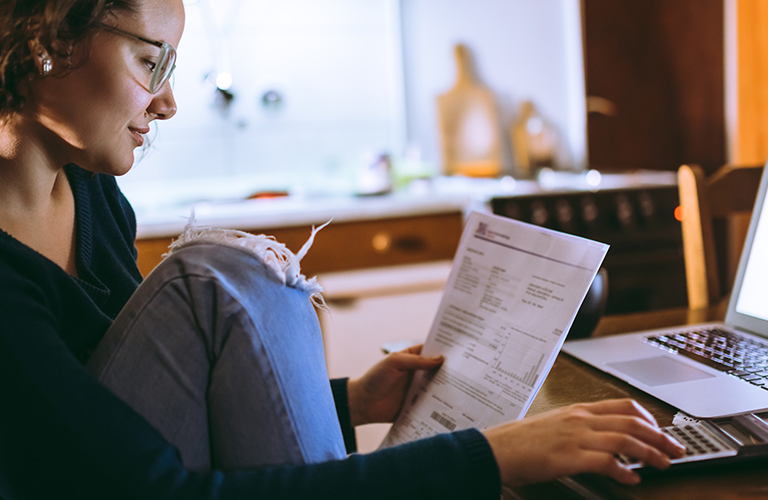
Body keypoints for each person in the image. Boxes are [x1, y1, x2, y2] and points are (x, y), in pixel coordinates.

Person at [0, 0, 685, 498]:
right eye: (152, 62)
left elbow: (133, 414)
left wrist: (348, 401)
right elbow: (157, 487)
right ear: (47, 43)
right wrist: (485, 458)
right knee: (220, 270)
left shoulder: (92, 195)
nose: (169, 100)